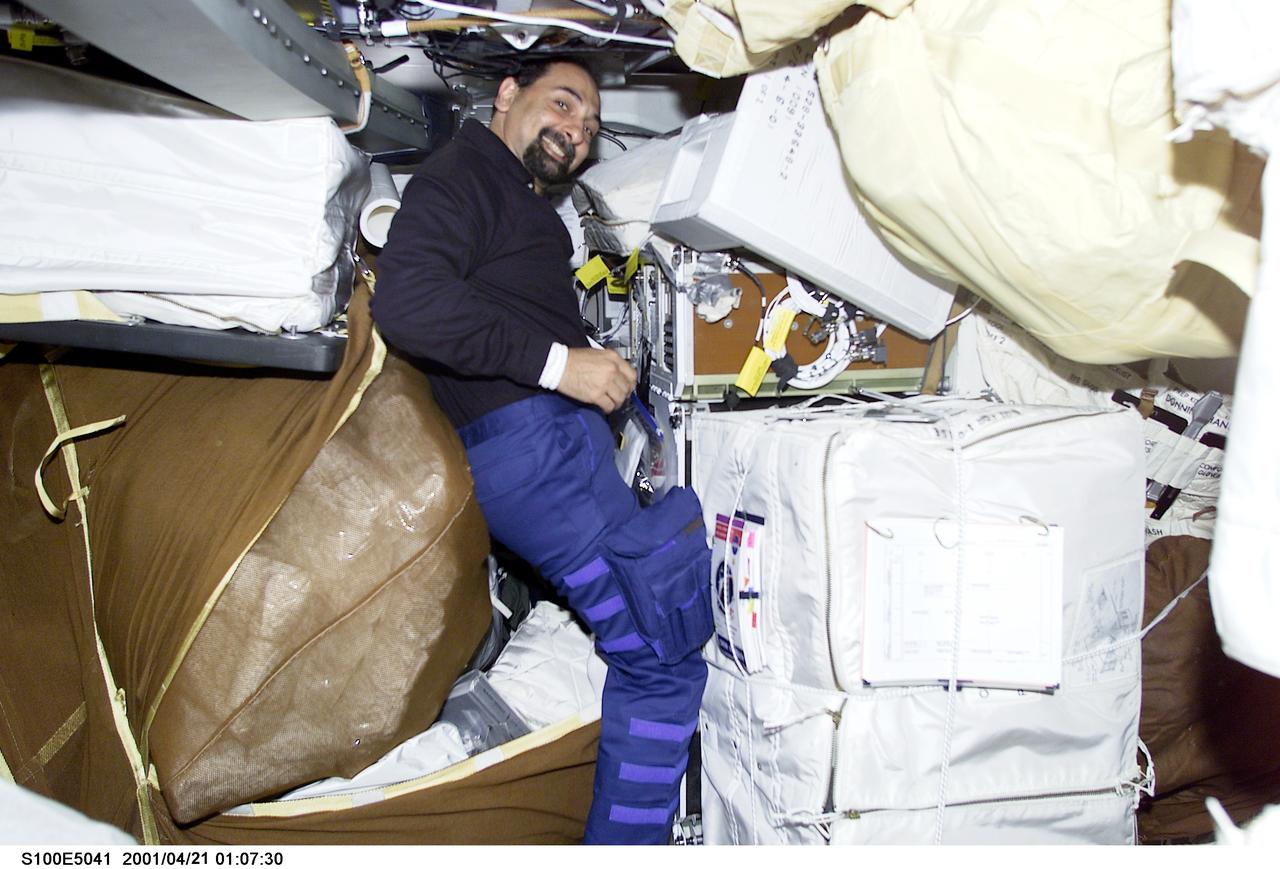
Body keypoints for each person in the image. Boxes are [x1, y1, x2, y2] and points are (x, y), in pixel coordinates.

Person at [370, 58, 713, 846]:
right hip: (535, 454)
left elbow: (495, 308)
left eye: (589, 126)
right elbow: (411, 301)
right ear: (507, 95)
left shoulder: (513, 200)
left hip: (548, 453)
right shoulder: (463, 174)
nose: (577, 132)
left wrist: (588, 351)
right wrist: (565, 366)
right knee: (662, 660)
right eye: (563, 105)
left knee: (646, 620)